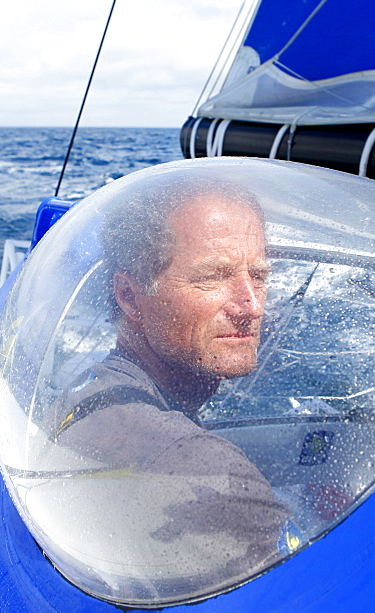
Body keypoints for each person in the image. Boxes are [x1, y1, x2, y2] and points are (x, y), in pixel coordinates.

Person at [48, 176, 291, 598]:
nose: (251, 306)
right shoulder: (211, 475)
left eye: (259, 275)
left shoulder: (84, 397)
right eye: (213, 278)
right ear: (129, 295)